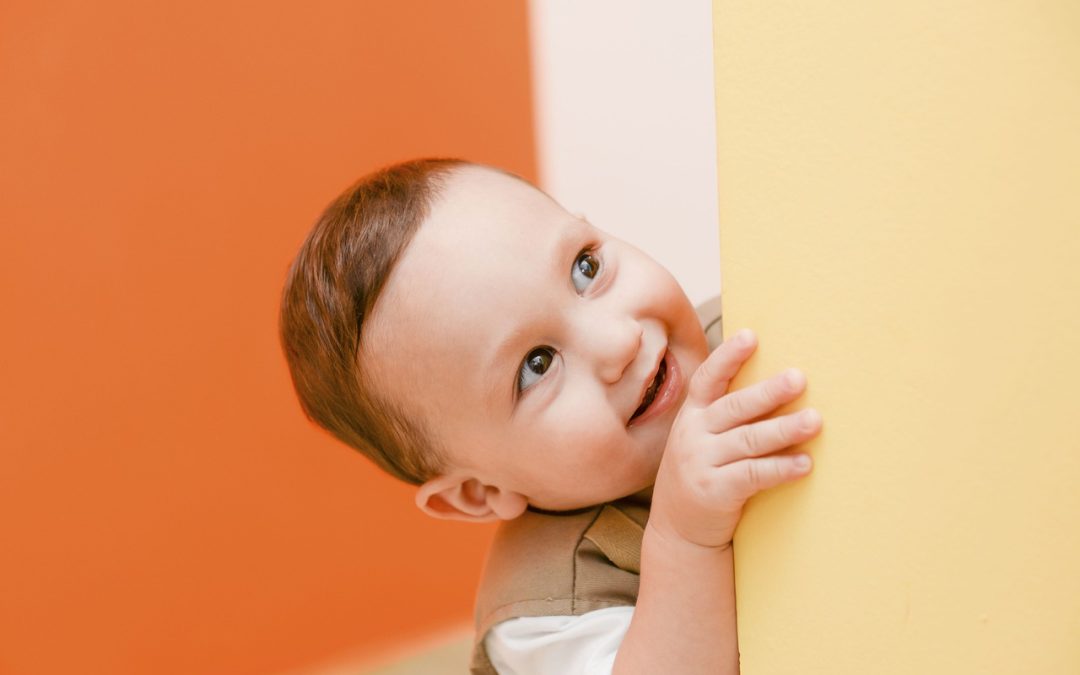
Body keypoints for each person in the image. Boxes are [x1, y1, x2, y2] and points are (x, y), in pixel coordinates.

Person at [279, 158, 822, 674]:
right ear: (479, 492)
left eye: (586, 268)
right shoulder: (547, 614)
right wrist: (683, 538)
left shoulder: (743, 333)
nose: (619, 340)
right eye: (537, 366)